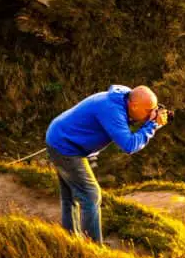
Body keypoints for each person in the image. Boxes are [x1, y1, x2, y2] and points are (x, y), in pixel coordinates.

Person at [45, 85, 169, 243]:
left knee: (71, 194)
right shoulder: (112, 110)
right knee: (90, 195)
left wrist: (147, 121)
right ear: (134, 105)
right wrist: (152, 126)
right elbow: (129, 145)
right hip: (65, 147)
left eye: (154, 109)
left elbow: (130, 120)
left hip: (61, 137)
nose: (151, 114)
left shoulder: (125, 99)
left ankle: (70, 239)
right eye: (148, 110)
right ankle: (94, 246)